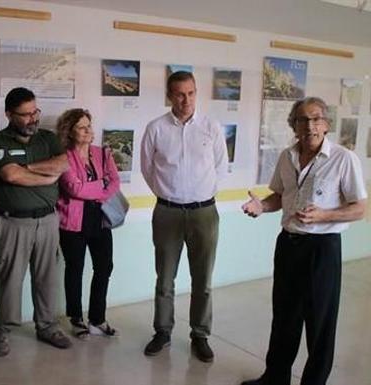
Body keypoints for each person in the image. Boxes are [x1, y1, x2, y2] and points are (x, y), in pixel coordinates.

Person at [240, 97, 367, 385]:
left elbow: (360, 208)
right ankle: (275, 377)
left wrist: (324, 215)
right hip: (288, 245)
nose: (309, 125)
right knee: (284, 317)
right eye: (302, 119)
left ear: (326, 123)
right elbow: (278, 195)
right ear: (293, 125)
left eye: (316, 118)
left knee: (319, 323)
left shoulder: (343, 159)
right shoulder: (287, 156)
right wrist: (261, 206)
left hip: (322, 249)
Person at [140, 71, 228, 362]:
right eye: (179, 94)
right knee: (164, 278)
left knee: (203, 279)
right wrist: (169, 194)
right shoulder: (156, 128)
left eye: (190, 93)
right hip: (167, 212)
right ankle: (162, 331)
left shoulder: (211, 127)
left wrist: (198, 195)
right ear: (169, 95)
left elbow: (220, 167)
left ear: (196, 93)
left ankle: (200, 335)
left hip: (204, 212)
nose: (185, 99)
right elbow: (147, 168)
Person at [0, 87, 71, 356]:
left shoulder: (47, 138)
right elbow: (11, 175)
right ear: (9, 114)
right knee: (9, 281)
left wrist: (30, 168)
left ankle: (46, 326)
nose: (33, 118)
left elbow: (64, 164)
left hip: (47, 221)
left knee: (47, 277)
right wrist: (44, 175)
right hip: (12, 223)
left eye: (35, 111)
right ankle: (3, 330)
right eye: (25, 115)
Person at [55, 108, 121, 339]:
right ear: (70, 132)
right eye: (82, 127)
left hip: (100, 219)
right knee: (75, 270)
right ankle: (76, 319)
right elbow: (73, 188)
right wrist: (99, 187)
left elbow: (114, 182)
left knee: (104, 267)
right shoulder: (64, 157)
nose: (88, 131)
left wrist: (96, 192)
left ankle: (97, 319)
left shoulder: (102, 153)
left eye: (89, 126)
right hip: (73, 223)